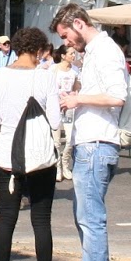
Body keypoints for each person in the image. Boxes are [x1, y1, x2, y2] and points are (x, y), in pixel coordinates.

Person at [52, 2, 127, 261]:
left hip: (98, 143)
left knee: (91, 217)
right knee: (84, 215)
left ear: (79, 24)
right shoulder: (95, 52)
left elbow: (117, 96)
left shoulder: (106, 50)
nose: (66, 43)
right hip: (91, 143)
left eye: (66, 35)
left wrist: (77, 100)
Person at [0, 27, 63, 261]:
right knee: (41, 221)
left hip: (7, 157)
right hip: (40, 159)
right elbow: (55, 122)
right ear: (40, 50)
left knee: (6, 218)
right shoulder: (45, 77)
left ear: (16, 47)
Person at [52, 45, 81, 181]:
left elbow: (77, 86)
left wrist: (75, 93)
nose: (73, 56)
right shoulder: (54, 69)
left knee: (70, 138)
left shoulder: (75, 70)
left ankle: (65, 164)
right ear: (63, 55)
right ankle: (57, 167)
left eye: (74, 53)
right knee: (56, 140)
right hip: (55, 107)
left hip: (69, 108)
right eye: (71, 53)